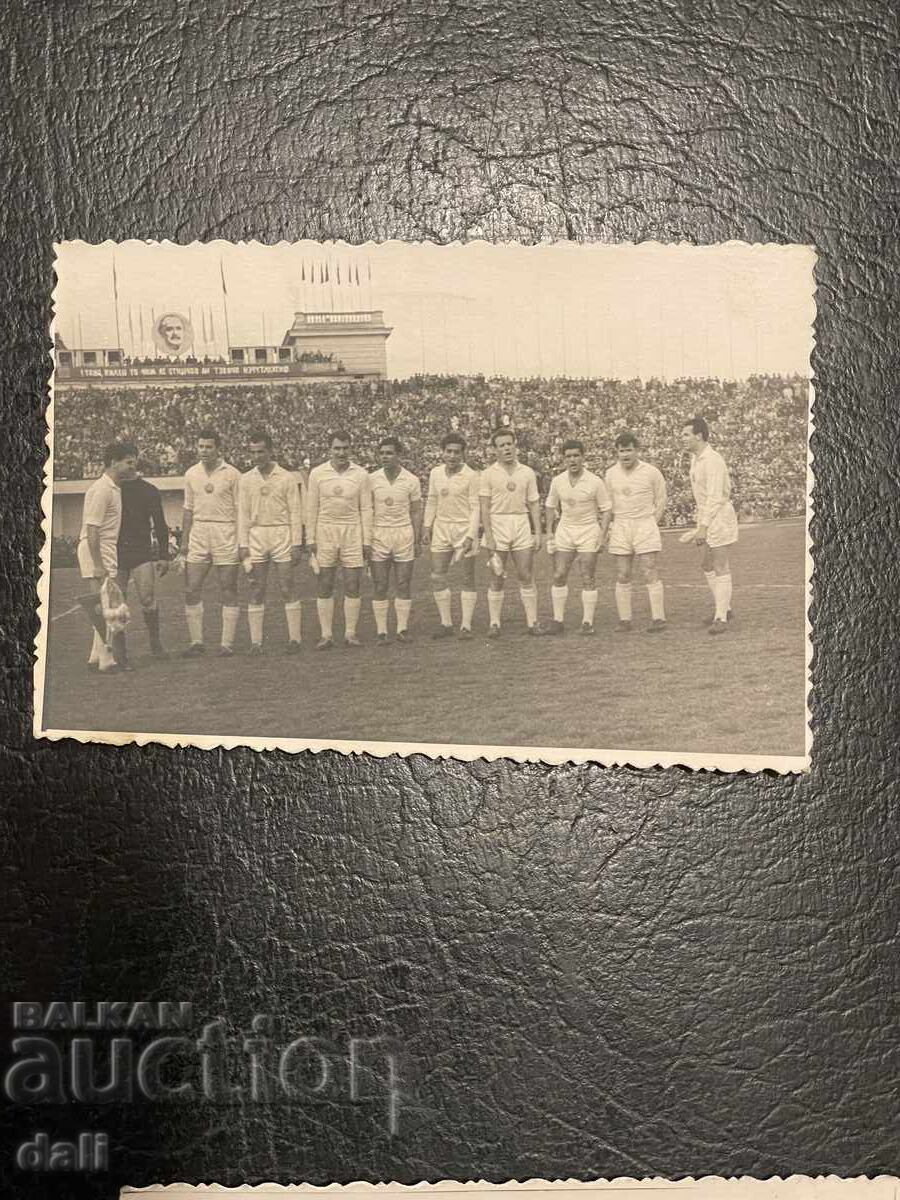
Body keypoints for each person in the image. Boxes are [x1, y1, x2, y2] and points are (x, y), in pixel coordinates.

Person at [238, 432, 304, 655]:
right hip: (256, 536)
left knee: (287, 587)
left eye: (261, 451)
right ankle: (256, 643)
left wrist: (296, 543)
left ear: (270, 451)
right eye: (253, 452)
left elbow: (296, 512)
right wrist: (243, 543)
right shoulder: (246, 479)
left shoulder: (286, 478)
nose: (257, 456)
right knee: (257, 588)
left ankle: (295, 639)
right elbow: (243, 514)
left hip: (281, 533)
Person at [306, 431, 373, 649]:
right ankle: (326, 635)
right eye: (337, 448)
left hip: (352, 531)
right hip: (325, 531)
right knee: (325, 583)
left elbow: (366, 508)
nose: (341, 452)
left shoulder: (361, 475)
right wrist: (311, 538)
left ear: (350, 449)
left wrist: (366, 540)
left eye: (345, 448)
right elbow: (311, 507)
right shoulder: (317, 474)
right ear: (330, 449)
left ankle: (350, 634)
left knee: (352, 583)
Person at [76, 441, 138, 672]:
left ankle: (95, 656)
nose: (133, 467)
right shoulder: (102, 489)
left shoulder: (113, 487)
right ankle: (107, 660)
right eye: (129, 462)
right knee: (106, 606)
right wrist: (99, 564)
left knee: (105, 604)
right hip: (98, 548)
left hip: (104, 548)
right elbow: (92, 529)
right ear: (114, 462)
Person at [179, 429, 242, 657]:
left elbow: (240, 511)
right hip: (199, 532)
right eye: (201, 446)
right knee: (191, 588)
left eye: (209, 447)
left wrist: (240, 540)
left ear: (218, 449)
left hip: (225, 531)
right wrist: (184, 543)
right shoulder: (191, 474)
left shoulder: (233, 474)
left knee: (228, 588)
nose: (204, 451)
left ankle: (227, 643)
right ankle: (196, 642)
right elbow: (188, 510)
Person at [479, 428, 544, 638]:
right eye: (501, 445)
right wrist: (488, 535)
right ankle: (495, 623)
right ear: (495, 450)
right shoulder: (488, 474)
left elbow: (534, 504)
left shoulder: (526, 472)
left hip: (521, 522)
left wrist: (537, 532)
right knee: (497, 576)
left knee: (526, 574)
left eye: (509, 444)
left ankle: (533, 622)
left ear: (515, 445)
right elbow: (485, 507)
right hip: (498, 524)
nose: (506, 448)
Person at [544, 439, 612, 635]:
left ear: (583, 457)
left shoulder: (595, 481)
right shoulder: (558, 481)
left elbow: (606, 509)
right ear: (563, 459)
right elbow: (550, 506)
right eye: (568, 456)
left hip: (588, 530)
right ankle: (558, 620)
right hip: (565, 530)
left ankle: (587, 622)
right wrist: (549, 532)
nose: (572, 460)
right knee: (559, 574)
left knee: (587, 576)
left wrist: (602, 535)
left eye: (576, 456)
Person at [604, 431, 668, 633]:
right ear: (617, 452)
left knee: (649, 569)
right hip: (622, 524)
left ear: (637, 450)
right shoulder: (610, 473)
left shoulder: (651, 472)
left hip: (644, 523)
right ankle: (625, 620)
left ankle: (658, 618)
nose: (625, 455)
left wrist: (653, 521)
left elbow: (661, 499)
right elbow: (607, 503)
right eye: (622, 451)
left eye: (629, 450)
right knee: (623, 573)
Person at [681, 416, 739, 634]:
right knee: (706, 564)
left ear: (699, 435)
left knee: (720, 565)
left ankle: (721, 618)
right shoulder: (696, 460)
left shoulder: (713, 460)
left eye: (686, 435)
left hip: (720, 517)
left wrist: (703, 527)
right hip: (707, 515)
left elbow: (715, 497)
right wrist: (700, 526)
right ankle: (725, 607)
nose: (683, 439)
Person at [421, 433, 480, 640]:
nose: (452, 456)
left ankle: (465, 626)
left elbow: (475, 507)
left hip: (464, 529)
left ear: (463, 454)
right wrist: (427, 526)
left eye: (457, 452)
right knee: (437, 575)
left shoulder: (472, 476)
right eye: (449, 451)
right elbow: (432, 500)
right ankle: (446, 623)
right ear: (442, 452)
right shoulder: (436, 473)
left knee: (467, 577)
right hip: (442, 528)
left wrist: (471, 535)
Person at [369, 437, 423, 645]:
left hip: (403, 533)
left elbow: (416, 511)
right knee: (380, 584)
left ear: (399, 455)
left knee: (403, 582)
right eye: (382, 453)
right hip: (379, 533)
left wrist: (417, 539)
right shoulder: (372, 479)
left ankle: (402, 629)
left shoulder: (411, 480)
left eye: (389, 453)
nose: (385, 457)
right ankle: (382, 631)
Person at [117, 473, 170, 661]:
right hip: (115, 552)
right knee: (117, 602)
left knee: (147, 598)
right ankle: (119, 651)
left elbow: (160, 524)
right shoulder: (111, 488)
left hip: (141, 551)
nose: (129, 466)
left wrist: (164, 555)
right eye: (126, 462)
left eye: (132, 462)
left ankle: (155, 643)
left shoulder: (149, 490)